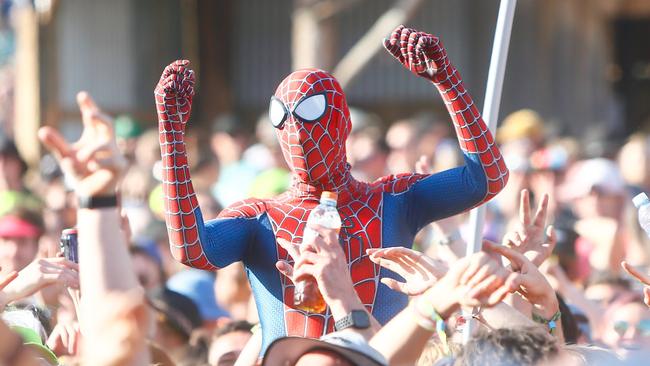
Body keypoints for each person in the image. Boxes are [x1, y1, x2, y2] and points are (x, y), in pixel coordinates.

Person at [154, 24, 509, 351]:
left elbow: (486, 179)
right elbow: (192, 249)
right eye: (283, 116)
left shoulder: (393, 200)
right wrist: (171, 134)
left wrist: (446, 82)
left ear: (343, 123)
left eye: (311, 112)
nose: (297, 130)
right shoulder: (259, 217)